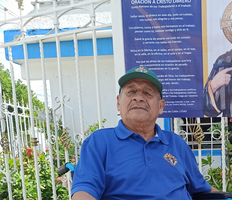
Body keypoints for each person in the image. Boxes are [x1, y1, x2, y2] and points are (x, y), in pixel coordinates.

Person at [72, 66, 217, 199]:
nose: (138, 98)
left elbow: (203, 189)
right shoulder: (99, 142)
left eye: (147, 93)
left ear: (161, 106)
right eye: (131, 91)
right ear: (118, 102)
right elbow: (84, 192)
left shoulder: (177, 144)